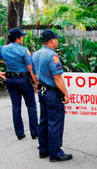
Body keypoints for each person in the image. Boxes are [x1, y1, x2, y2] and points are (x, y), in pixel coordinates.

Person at [32, 29, 72, 162]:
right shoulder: (52, 56)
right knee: (55, 122)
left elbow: (33, 73)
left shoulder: (36, 54)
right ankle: (55, 153)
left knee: (43, 121)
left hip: (42, 91)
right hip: (52, 93)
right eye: (56, 39)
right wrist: (65, 93)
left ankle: (44, 150)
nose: (57, 41)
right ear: (50, 41)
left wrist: (36, 85)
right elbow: (57, 77)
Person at [0, 28, 38, 140]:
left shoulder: (3, 49)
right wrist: (36, 84)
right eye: (21, 37)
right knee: (31, 106)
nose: (22, 38)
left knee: (16, 107)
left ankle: (19, 133)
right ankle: (34, 132)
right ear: (17, 39)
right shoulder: (24, 50)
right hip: (23, 80)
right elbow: (30, 69)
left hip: (10, 80)